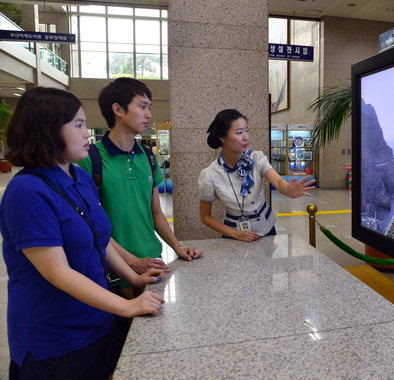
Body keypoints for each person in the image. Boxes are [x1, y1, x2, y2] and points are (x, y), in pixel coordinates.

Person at [0, 87, 165, 379]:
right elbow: (58, 273)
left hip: (97, 319)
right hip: (55, 339)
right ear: (47, 130)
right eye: (77, 125)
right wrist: (126, 306)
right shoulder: (27, 191)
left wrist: (134, 278)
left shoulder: (80, 176)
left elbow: (98, 240)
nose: (87, 132)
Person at [77, 78, 202, 277]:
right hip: (113, 266)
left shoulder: (149, 157)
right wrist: (132, 262)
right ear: (118, 110)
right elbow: (91, 223)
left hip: (152, 259)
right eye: (142, 107)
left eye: (149, 107)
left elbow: (156, 213)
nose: (148, 114)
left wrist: (178, 247)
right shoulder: (90, 159)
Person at [199, 109, 315, 242]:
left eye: (247, 130)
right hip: (233, 234)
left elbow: (277, 181)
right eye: (239, 132)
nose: (246, 137)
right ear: (222, 137)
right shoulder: (209, 175)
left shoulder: (257, 158)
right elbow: (205, 217)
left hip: (266, 227)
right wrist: (235, 234)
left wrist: (288, 189)